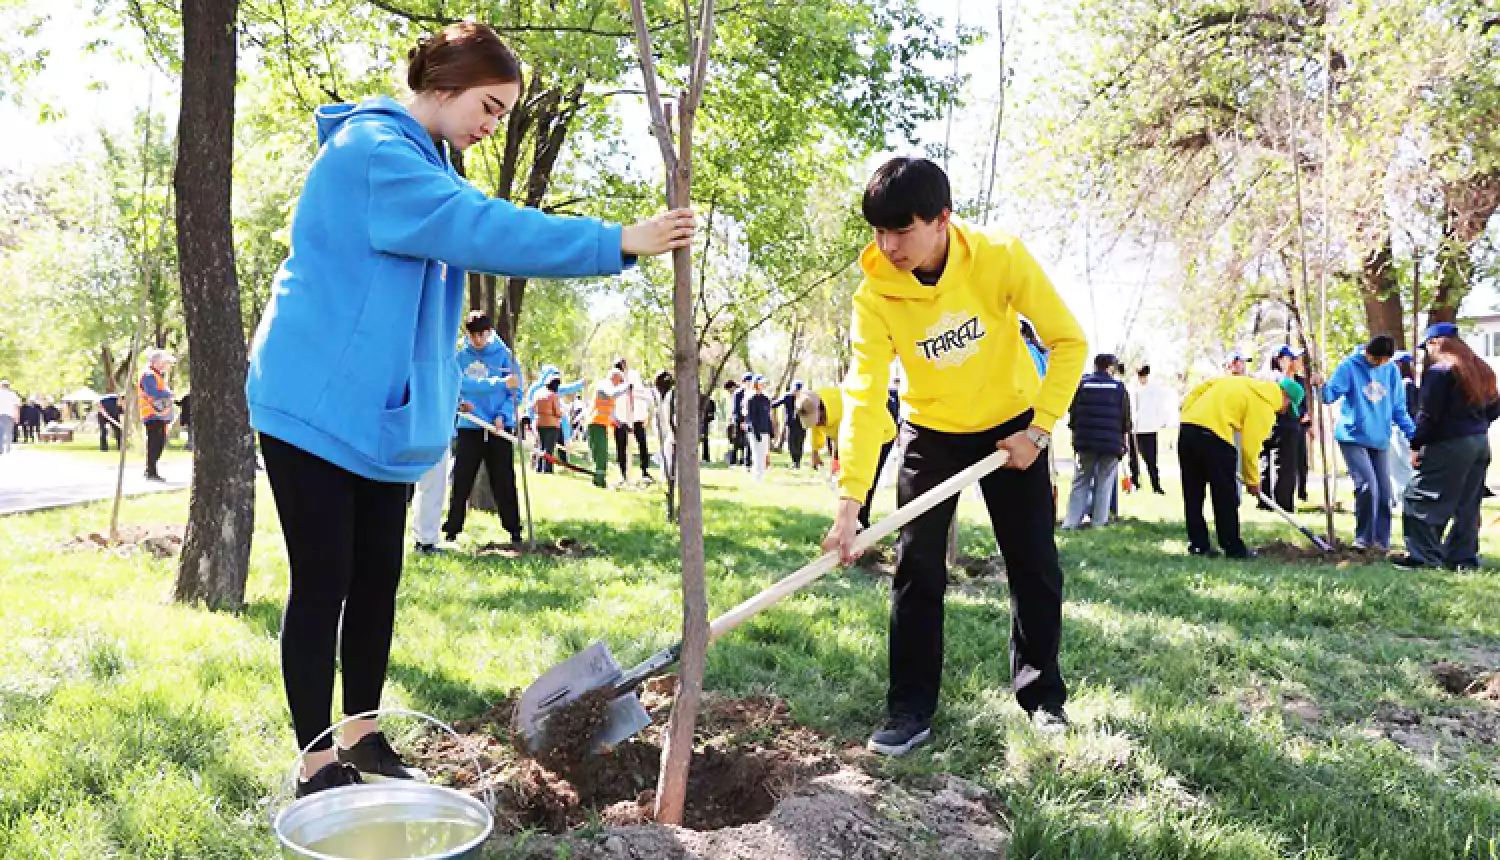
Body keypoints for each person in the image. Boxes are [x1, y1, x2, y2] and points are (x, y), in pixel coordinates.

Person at [244, 21, 694, 798]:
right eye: (488, 106)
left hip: (376, 414)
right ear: (444, 86)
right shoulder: (375, 154)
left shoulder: (430, 160)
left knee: (378, 574)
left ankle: (364, 735)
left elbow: (463, 230)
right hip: (314, 401)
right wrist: (618, 240)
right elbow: (483, 230)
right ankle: (317, 764)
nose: (493, 125)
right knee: (326, 579)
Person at [821, 157, 1087, 755]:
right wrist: (849, 502)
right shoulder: (875, 295)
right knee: (916, 569)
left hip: (1012, 430)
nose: (888, 246)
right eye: (879, 232)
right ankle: (909, 709)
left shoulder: (1001, 257)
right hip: (931, 431)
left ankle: (1043, 698)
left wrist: (1039, 431)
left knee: (1034, 562)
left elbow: (1069, 341)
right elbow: (864, 395)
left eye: (902, 230)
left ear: (942, 220)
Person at [1394, 324, 1500, 570]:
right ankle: (1462, 559)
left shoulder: (1440, 372)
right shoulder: (1481, 370)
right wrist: (1477, 424)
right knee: (1467, 503)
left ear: (1435, 343)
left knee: (1419, 497)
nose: (1426, 353)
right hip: (1479, 443)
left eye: (1427, 347)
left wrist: (1416, 444)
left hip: (1450, 443)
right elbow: (1495, 407)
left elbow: (1428, 415)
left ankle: (1424, 558)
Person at [1320, 335, 1416, 551]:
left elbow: (1398, 408)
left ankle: (1381, 543)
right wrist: (1318, 385)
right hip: (1353, 436)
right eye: (1378, 360)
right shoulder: (1349, 366)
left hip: (1379, 437)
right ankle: (1363, 540)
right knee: (1367, 486)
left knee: (1384, 492)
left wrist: (1414, 435)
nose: (1382, 364)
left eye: (1386, 360)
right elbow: (1329, 395)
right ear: (1368, 353)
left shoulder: (1391, 370)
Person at [1178, 375, 1288, 558]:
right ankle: (1233, 547)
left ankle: (1198, 545)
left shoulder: (1240, 382)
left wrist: (1188, 415)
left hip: (1188, 430)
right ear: (1285, 396)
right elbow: (1250, 447)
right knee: (1225, 497)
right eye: (1287, 406)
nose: (1284, 411)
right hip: (1215, 437)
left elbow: (1198, 390)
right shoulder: (1266, 405)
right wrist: (1253, 480)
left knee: (1193, 494)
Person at [442, 312, 524, 545]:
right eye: (473, 335)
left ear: (489, 332)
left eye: (482, 335)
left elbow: (516, 390)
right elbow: (457, 385)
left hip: (499, 428)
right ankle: (451, 530)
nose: (477, 340)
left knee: (504, 479)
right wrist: (461, 403)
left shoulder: (505, 356)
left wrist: (504, 415)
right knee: (461, 478)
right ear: (467, 334)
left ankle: (514, 530)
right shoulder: (461, 358)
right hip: (471, 425)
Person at [1062, 354, 1129, 529]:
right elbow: (1125, 420)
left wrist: (1075, 437)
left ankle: (1071, 522)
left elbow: (1073, 414)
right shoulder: (1118, 388)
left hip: (1085, 441)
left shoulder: (1082, 385)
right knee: (1104, 482)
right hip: (1111, 442)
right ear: (1110, 367)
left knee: (1081, 481)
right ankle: (1099, 521)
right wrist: (1125, 443)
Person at [1259, 346, 1305, 512]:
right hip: (1284, 424)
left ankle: (1264, 501)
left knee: (1266, 462)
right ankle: (1283, 503)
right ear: (1279, 359)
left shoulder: (1266, 378)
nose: (1292, 362)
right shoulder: (1279, 378)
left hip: (1269, 423)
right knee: (1284, 464)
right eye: (1288, 358)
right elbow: (1298, 394)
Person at [1128, 365, 1173, 494]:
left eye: (1144, 375)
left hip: (1149, 429)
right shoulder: (1132, 387)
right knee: (1133, 459)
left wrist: (1160, 421)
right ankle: (1135, 483)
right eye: (1140, 375)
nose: (1142, 378)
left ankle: (1156, 486)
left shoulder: (1154, 388)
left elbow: (1160, 405)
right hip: (1135, 430)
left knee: (1151, 460)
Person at [586, 367, 628, 488]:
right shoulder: (605, 385)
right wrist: (627, 387)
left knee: (601, 453)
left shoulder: (610, 389)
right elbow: (612, 394)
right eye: (619, 381)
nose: (619, 384)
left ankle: (599, 478)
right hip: (595, 423)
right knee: (600, 454)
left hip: (601, 425)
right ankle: (599, 480)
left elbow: (611, 414)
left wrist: (620, 424)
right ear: (615, 378)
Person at [138, 349, 176, 481]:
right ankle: (151, 471)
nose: (167, 365)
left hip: (159, 415)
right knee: (155, 443)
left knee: (159, 443)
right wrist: (169, 394)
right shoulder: (149, 375)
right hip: (152, 414)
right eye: (165, 362)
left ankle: (151, 470)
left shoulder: (156, 375)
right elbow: (152, 393)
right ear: (156, 362)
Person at [613, 361, 653, 483]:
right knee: (621, 446)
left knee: (642, 445)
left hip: (636, 418)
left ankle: (644, 471)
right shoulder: (614, 380)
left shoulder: (634, 377)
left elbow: (644, 396)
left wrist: (646, 415)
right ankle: (623, 473)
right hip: (621, 419)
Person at [1388, 350, 1419, 507]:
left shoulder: (1406, 384)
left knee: (1403, 466)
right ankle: (1396, 498)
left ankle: (1405, 498)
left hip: (1402, 430)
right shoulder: (1400, 384)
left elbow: (1409, 410)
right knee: (1394, 466)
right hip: (1395, 429)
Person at [772, 381, 807, 468]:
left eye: (798, 390)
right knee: (791, 443)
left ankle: (798, 461)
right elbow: (776, 403)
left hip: (802, 424)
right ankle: (794, 460)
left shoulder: (805, 398)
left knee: (800, 442)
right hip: (791, 424)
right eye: (795, 390)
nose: (796, 392)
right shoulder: (787, 396)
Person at [534, 377, 565, 473]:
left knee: (541, 446)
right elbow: (557, 412)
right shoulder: (553, 396)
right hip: (552, 424)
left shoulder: (538, 394)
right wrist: (562, 413)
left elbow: (533, 408)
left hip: (540, 423)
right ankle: (547, 469)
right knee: (549, 448)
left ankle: (538, 467)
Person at [746, 375, 773, 480]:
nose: (763, 385)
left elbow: (767, 416)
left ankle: (761, 476)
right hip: (754, 431)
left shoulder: (766, 399)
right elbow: (751, 417)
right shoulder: (751, 399)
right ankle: (756, 477)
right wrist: (755, 431)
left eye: (764, 384)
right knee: (757, 454)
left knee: (763, 454)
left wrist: (770, 430)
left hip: (765, 430)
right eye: (761, 383)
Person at [654, 371, 676, 481]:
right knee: (666, 452)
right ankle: (667, 476)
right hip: (667, 428)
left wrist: (673, 429)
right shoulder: (663, 396)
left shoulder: (671, 395)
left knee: (669, 452)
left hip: (673, 429)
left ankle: (670, 476)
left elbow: (672, 414)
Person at [0, 381, 18, 455]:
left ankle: (0, 448)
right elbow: (16, 406)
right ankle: (7, 449)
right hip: (9, 415)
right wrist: (17, 417)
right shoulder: (13, 394)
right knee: (8, 432)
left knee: (0, 432)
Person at [700, 386, 716, 463]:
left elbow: (711, 412)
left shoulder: (706, 399)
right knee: (703, 439)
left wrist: (707, 418)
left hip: (704, 422)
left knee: (704, 439)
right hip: (696, 422)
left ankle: (706, 457)